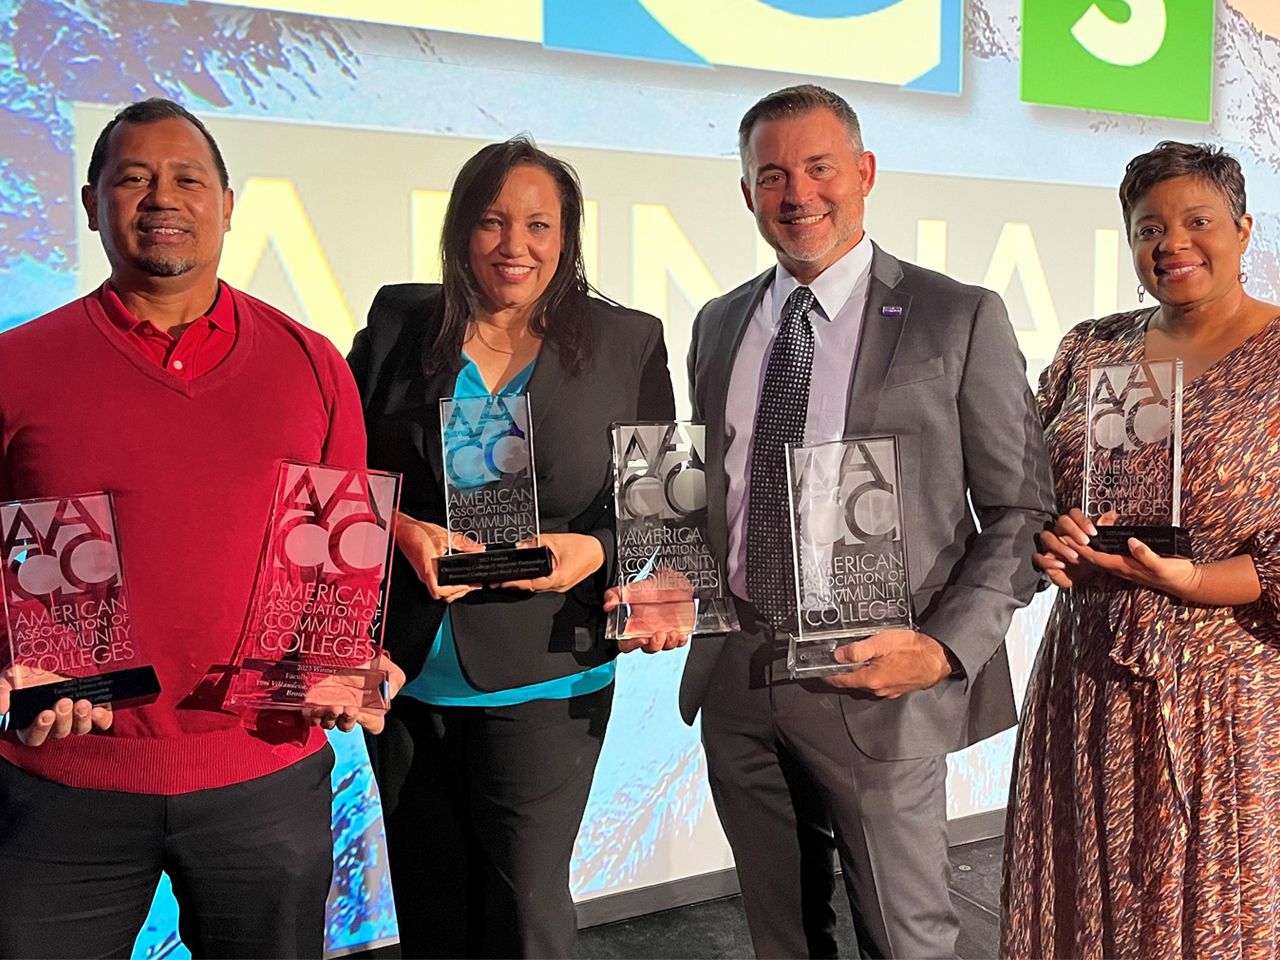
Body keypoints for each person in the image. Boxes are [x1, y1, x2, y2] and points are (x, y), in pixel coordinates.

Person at [0, 98, 400, 959]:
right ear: (90, 203)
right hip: (65, 775)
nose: (161, 198)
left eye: (187, 178)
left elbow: (344, 555)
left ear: (227, 202)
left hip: (265, 771)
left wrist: (347, 655)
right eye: (133, 178)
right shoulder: (17, 365)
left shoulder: (311, 362)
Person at [672, 84, 1055, 959]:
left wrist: (945, 646)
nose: (798, 195)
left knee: (905, 936)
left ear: (865, 172)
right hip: (737, 672)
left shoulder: (956, 315)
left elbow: (1021, 508)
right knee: (781, 935)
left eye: (818, 168)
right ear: (746, 194)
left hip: (879, 670)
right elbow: (714, 491)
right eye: (772, 176)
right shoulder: (719, 321)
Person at [348, 135, 676, 959]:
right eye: (492, 223)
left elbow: (665, 509)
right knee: (429, 911)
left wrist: (591, 552)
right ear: (461, 230)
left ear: (566, 236)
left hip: (546, 669)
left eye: (538, 225)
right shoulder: (399, 320)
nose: (514, 245)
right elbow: (335, 466)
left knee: (526, 917)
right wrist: (401, 527)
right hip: (407, 665)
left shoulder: (627, 340)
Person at [1002, 142, 1280, 958]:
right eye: (1148, 227)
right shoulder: (1094, 350)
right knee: (1084, 903)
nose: (1173, 243)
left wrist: (1192, 579)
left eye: (1198, 221)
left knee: (1213, 911)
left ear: (1243, 228)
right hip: (1085, 676)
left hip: (1226, 692)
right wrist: (1046, 540)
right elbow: (1027, 490)